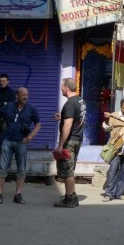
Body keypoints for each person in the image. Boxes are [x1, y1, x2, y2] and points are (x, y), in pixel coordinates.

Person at [0, 87, 41, 204]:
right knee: (2, 168)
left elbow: (38, 124)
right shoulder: (9, 106)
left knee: (21, 169)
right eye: (23, 95)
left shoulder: (31, 109)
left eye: (27, 95)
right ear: (17, 96)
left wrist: (30, 137)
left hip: (22, 142)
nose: (25, 97)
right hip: (7, 141)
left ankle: (18, 194)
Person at [52, 78, 86, 208]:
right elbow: (77, 117)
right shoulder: (80, 101)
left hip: (70, 141)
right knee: (70, 168)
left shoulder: (70, 103)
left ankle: (69, 199)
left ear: (66, 88)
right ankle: (73, 195)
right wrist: (62, 116)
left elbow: (68, 125)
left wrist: (61, 145)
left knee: (67, 171)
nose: (61, 89)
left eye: (62, 86)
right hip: (77, 139)